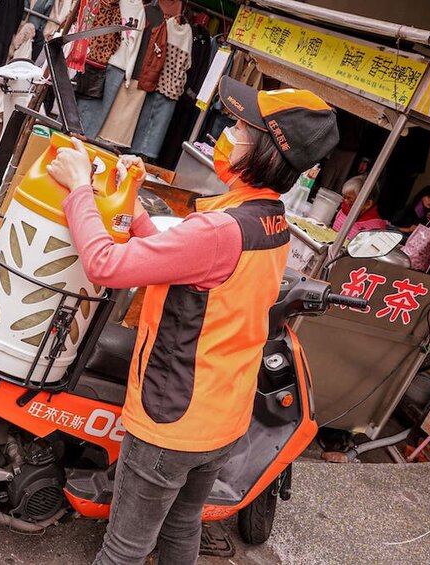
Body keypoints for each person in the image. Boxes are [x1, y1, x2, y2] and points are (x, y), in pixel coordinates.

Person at [46, 77, 339, 565]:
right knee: (180, 528)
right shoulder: (270, 222)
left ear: (263, 150)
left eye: (241, 128)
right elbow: (180, 259)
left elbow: (106, 265)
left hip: (173, 420)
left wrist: (79, 187)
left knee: (124, 550)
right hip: (223, 417)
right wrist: (134, 199)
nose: (228, 133)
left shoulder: (221, 230)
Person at [331, 174, 388, 239]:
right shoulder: (344, 209)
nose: (345, 201)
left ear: (367, 204)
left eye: (350, 199)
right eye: (344, 197)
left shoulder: (375, 228)